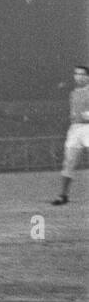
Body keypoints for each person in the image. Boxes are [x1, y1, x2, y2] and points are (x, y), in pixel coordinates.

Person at [51, 64, 89, 205]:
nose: (78, 76)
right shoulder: (73, 93)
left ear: (87, 76)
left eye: (81, 74)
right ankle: (63, 195)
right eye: (76, 74)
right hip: (75, 129)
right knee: (69, 163)